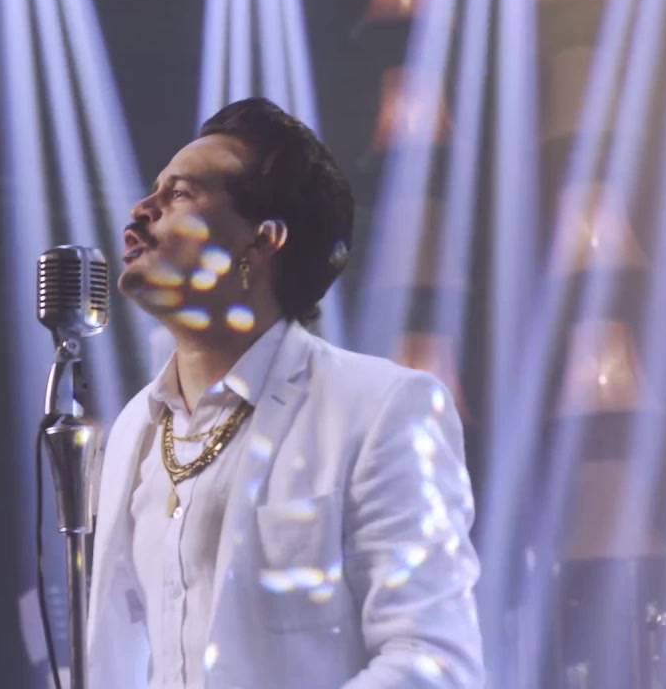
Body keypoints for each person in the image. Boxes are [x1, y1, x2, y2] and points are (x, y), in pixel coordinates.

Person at [87, 98, 483, 688]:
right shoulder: (133, 429)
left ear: (262, 239)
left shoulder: (381, 407)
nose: (142, 210)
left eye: (181, 194)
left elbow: (433, 660)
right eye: (154, 190)